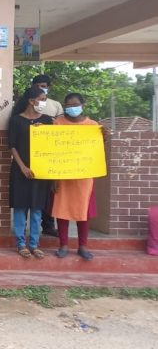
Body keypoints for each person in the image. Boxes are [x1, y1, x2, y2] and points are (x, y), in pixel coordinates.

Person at [52, 93, 106, 261]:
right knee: (62, 210)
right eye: (68, 105)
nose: (72, 108)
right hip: (62, 174)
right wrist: (53, 177)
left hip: (84, 176)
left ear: (83, 105)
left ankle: (83, 246)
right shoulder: (58, 123)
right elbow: (50, 148)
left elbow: (97, 149)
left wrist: (103, 137)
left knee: (84, 211)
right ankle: (63, 245)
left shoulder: (93, 125)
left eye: (75, 104)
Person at [8, 87, 53, 259]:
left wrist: (44, 131)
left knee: (37, 208)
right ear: (31, 101)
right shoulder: (16, 120)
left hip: (40, 171)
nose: (44, 102)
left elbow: (53, 144)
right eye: (42, 99)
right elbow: (12, 146)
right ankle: (21, 243)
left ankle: (34, 244)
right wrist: (22, 167)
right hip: (20, 170)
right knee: (20, 207)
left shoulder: (47, 120)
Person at [31, 74, 64, 237]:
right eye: (38, 86)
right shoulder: (27, 102)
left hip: (50, 152)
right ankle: (29, 226)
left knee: (49, 191)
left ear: (48, 87)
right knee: (33, 191)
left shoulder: (55, 105)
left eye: (44, 86)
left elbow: (62, 126)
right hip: (32, 153)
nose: (41, 88)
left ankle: (49, 224)